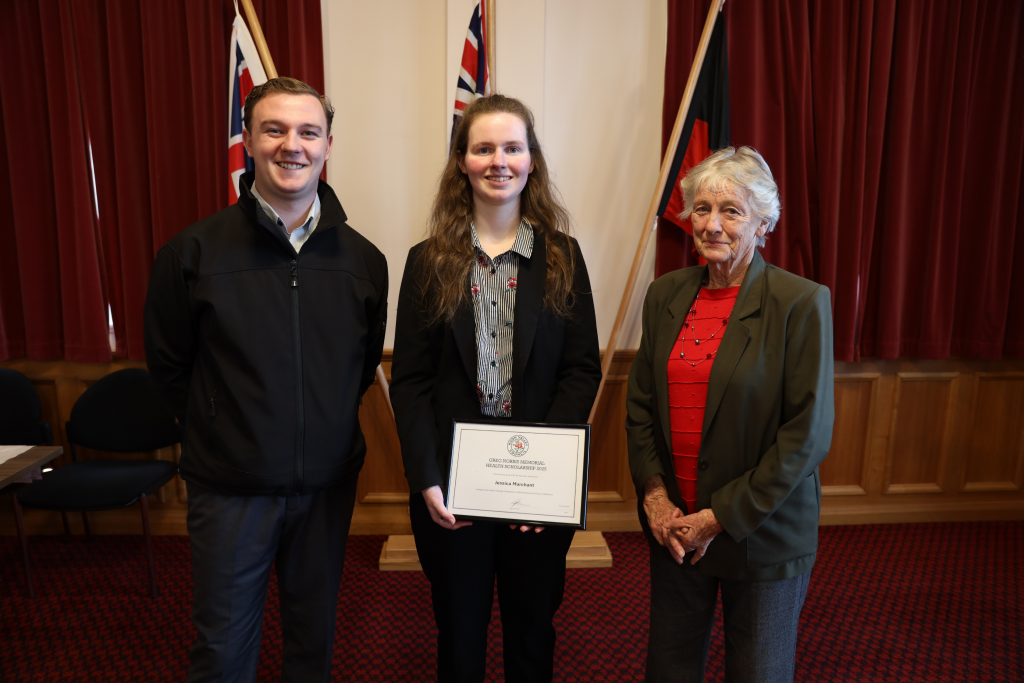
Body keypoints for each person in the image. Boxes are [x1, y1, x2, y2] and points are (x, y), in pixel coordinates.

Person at [143, 77, 387, 683]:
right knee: (224, 651)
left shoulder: (364, 260)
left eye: (308, 132)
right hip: (232, 488)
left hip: (326, 486)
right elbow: (170, 365)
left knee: (312, 644)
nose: (292, 145)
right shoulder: (191, 253)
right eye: (274, 130)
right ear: (248, 141)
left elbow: (358, 369)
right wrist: (223, 428)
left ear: (329, 145)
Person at [389, 94, 601, 683]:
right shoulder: (427, 261)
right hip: (451, 490)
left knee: (532, 626)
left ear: (532, 160)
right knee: (459, 630)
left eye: (513, 147)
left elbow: (582, 369)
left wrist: (549, 474)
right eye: (483, 148)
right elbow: (409, 381)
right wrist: (426, 478)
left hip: (538, 490)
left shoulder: (563, 258)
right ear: (462, 161)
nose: (498, 160)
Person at [626, 146, 834, 683]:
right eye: (700, 208)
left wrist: (720, 518)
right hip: (676, 527)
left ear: (764, 222)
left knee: (758, 673)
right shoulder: (664, 294)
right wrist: (655, 499)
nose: (712, 224)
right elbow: (642, 405)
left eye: (732, 211)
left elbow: (806, 436)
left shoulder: (801, 303)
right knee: (668, 669)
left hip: (759, 534)